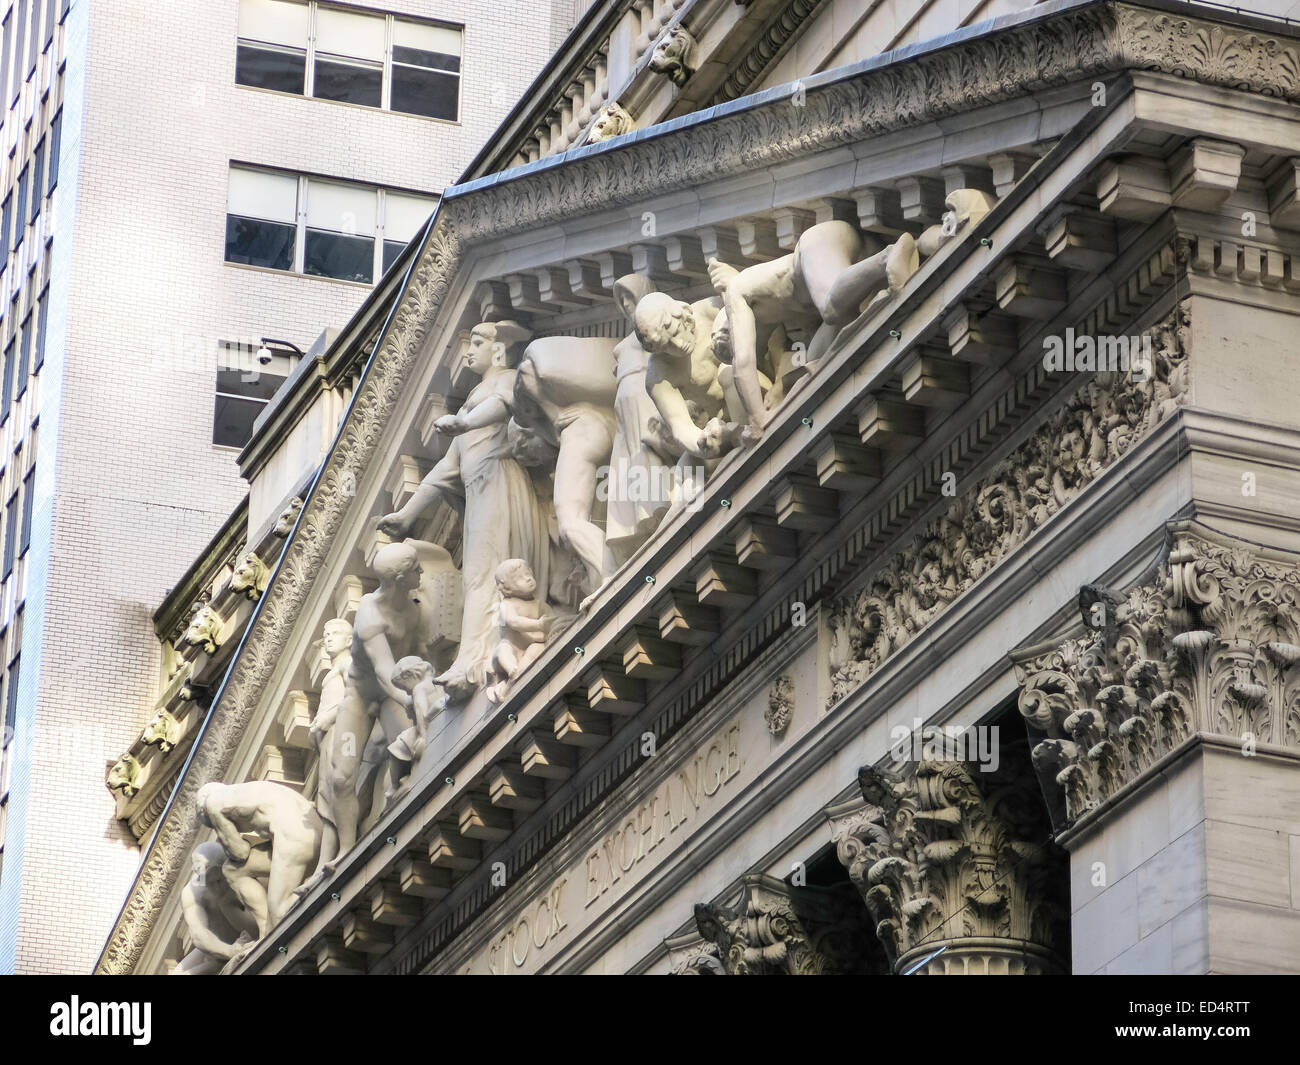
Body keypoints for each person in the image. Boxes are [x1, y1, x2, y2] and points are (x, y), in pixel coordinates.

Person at [378, 321, 551, 696]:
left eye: (476, 342)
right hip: (480, 491)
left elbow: (504, 405)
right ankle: (477, 655)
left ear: (499, 349)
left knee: (481, 573)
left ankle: (471, 662)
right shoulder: (473, 399)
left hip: (499, 481)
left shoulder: (504, 379)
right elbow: (446, 470)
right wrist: (408, 514)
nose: (468, 351)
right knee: (478, 573)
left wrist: (464, 421)